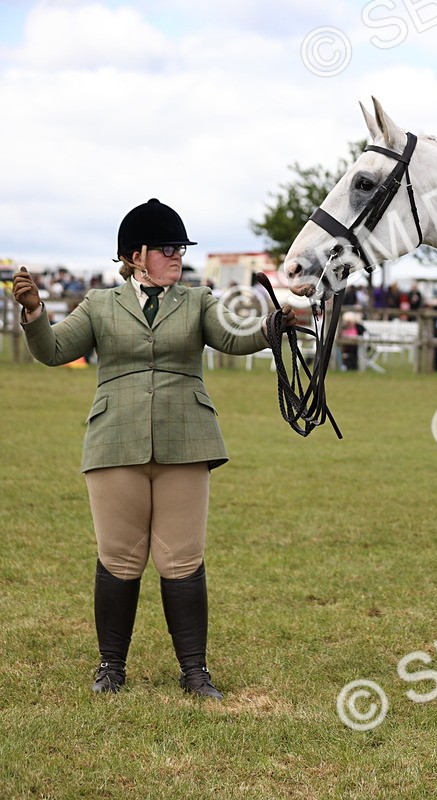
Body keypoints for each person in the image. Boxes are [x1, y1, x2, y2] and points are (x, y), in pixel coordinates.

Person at [11, 198, 295, 699]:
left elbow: (232, 338)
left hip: (186, 439)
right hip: (114, 439)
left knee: (183, 559)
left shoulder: (199, 299)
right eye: (166, 248)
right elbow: (53, 351)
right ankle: (110, 668)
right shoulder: (100, 305)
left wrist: (271, 329)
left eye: (179, 248)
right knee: (119, 558)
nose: (176, 256)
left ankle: (195, 671)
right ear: (135, 256)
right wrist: (34, 312)